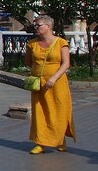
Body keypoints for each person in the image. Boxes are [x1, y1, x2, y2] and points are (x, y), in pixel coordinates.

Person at [24, 15, 75, 154]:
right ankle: (40, 142)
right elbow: (28, 62)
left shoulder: (61, 43)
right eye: (35, 25)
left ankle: (60, 139)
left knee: (58, 110)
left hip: (57, 83)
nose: (36, 27)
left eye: (38, 25)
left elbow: (66, 63)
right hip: (39, 83)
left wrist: (53, 77)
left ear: (49, 26)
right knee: (40, 112)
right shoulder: (32, 44)